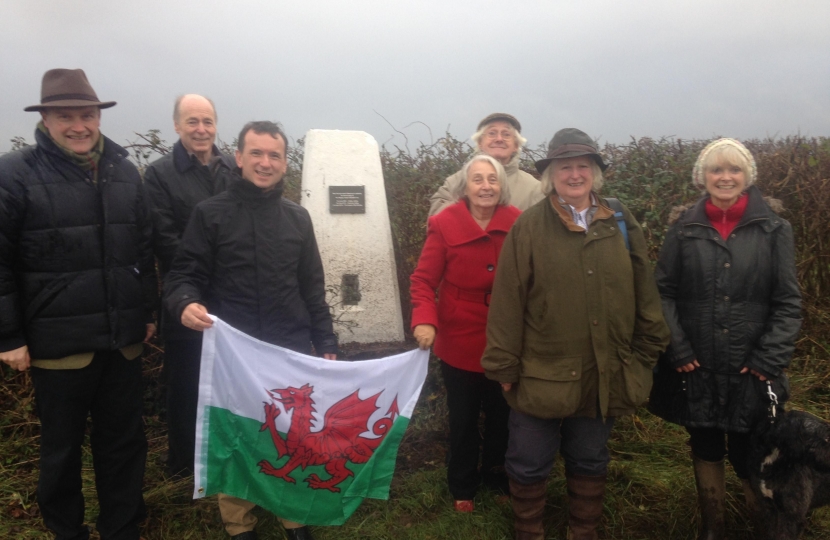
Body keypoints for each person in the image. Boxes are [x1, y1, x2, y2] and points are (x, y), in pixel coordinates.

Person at [481, 128, 670, 540]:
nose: (575, 174)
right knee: (528, 459)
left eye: (583, 165)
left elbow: (645, 288)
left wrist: (646, 351)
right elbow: (507, 300)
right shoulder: (529, 226)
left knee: (590, 456)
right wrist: (503, 363)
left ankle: (584, 530)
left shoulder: (620, 220)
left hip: (604, 370)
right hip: (540, 371)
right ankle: (529, 530)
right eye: (565, 166)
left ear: (595, 173)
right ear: (551, 174)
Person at [0, 69, 156, 540]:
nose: (78, 125)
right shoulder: (15, 173)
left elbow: (142, 248)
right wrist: (8, 335)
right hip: (58, 344)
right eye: (65, 116)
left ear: (98, 117)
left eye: (86, 115)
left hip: (121, 341)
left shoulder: (125, 171)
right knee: (62, 449)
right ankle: (67, 531)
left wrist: (146, 312)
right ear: (46, 119)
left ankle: (121, 527)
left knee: (124, 444)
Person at [163, 121, 337, 540]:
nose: (265, 162)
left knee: (291, 435)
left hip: (287, 348)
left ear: (284, 163)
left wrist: (326, 340)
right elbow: (182, 274)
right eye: (256, 153)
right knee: (238, 434)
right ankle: (239, 524)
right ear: (238, 158)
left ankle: (293, 516)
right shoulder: (210, 214)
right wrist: (185, 302)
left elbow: (313, 286)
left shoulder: (298, 218)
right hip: (233, 354)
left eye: (274, 155)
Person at [648, 138, 802, 540]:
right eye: (716, 170)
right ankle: (711, 528)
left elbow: (787, 301)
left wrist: (770, 356)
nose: (725, 177)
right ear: (703, 177)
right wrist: (676, 346)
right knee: (705, 441)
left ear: (747, 176)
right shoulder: (683, 230)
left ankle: (765, 526)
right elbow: (661, 291)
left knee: (749, 448)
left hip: (751, 366)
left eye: (734, 169)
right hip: (696, 362)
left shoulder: (774, 230)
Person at [411, 154, 521, 512]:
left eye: (493, 179)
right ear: (466, 185)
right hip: (458, 338)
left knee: (503, 417)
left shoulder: (519, 222)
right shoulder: (444, 223)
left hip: (505, 335)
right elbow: (424, 280)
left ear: (502, 185)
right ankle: (462, 484)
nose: (486, 185)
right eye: (478, 179)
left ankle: (496, 476)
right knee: (463, 419)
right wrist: (425, 319)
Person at [144, 94, 232, 478]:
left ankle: (227, 461)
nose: (201, 129)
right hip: (187, 299)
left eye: (208, 121)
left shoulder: (234, 167)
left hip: (233, 301)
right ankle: (184, 468)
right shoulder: (159, 175)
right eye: (192, 121)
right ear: (177, 126)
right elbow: (165, 240)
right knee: (187, 388)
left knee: (230, 386)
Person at [428, 113, 544, 216]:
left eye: (506, 134)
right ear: (480, 143)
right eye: (492, 133)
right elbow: (435, 222)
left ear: (516, 145)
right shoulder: (454, 182)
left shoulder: (535, 189)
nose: (499, 139)